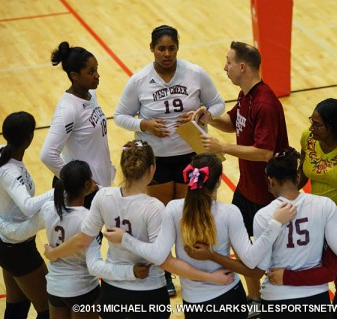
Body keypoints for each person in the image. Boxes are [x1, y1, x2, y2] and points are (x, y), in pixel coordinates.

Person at [44, 142, 233, 319]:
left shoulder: (103, 196)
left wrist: (54, 253)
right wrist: (209, 277)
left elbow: (81, 240)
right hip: (149, 294)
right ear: (152, 169)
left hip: (113, 293)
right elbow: (165, 261)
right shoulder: (155, 208)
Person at [103, 154, 297, 319]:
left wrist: (125, 239)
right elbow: (252, 261)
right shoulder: (230, 212)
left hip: (194, 304)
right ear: (219, 181)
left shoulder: (173, 208)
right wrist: (275, 224)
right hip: (229, 296)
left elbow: (158, 255)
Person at [113, 25, 225, 295]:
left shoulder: (195, 73)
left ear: (177, 47)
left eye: (171, 48)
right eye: (161, 48)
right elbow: (119, 115)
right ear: (152, 48)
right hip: (158, 161)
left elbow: (218, 104)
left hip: (192, 157)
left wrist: (203, 115)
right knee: (162, 218)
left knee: (190, 213)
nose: (166, 53)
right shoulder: (139, 80)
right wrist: (145, 125)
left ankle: (194, 267)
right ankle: (165, 273)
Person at [245, 148, 337, 319]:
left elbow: (261, 267)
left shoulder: (263, 216)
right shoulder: (325, 205)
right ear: (298, 177)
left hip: (277, 299)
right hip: (316, 300)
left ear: (271, 181)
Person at [195, 40, 289, 305]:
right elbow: (232, 122)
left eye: (228, 62)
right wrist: (209, 118)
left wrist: (221, 147)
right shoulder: (245, 96)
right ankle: (254, 299)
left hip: (266, 194)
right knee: (243, 248)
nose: (224, 67)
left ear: (242, 66)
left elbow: (265, 152)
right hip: (246, 189)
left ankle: (274, 299)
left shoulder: (265, 104)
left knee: (267, 253)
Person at [0, 160, 101, 319]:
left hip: (55, 290)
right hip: (83, 289)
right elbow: (95, 265)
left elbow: (17, 233)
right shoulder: (89, 220)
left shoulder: (49, 209)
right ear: (86, 185)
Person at [0, 112, 54, 319]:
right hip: (17, 249)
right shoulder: (10, 171)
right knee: (48, 308)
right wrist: (58, 190)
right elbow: (27, 207)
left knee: (18, 305)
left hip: (6, 242)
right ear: (28, 139)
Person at [41, 42, 115, 208]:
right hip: (83, 192)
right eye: (91, 72)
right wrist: (77, 181)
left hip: (97, 185)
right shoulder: (68, 109)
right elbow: (47, 154)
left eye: (96, 69)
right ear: (74, 75)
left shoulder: (91, 95)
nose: (97, 75)